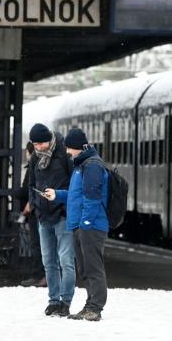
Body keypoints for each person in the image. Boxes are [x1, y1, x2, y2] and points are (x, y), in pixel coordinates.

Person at [44, 128, 109, 322]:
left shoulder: (92, 166)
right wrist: (57, 195)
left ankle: (95, 307)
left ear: (77, 147)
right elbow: (76, 195)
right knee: (84, 268)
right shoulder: (81, 166)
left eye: (69, 149)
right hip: (80, 225)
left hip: (90, 226)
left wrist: (86, 223)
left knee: (93, 268)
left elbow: (92, 198)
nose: (67, 153)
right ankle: (90, 305)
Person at [27, 123, 75, 317]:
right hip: (43, 216)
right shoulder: (34, 159)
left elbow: (75, 185)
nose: (38, 148)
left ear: (49, 140)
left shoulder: (64, 155)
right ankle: (53, 300)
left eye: (41, 143)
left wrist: (61, 201)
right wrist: (35, 204)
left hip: (62, 215)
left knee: (66, 261)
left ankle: (66, 301)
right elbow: (31, 184)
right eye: (35, 144)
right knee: (49, 261)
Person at [18, 142, 46, 287]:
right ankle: (45, 275)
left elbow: (27, 190)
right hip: (43, 210)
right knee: (46, 245)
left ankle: (38, 275)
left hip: (35, 211)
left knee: (37, 244)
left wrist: (15, 193)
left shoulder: (33, 166)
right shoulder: (46, 165)